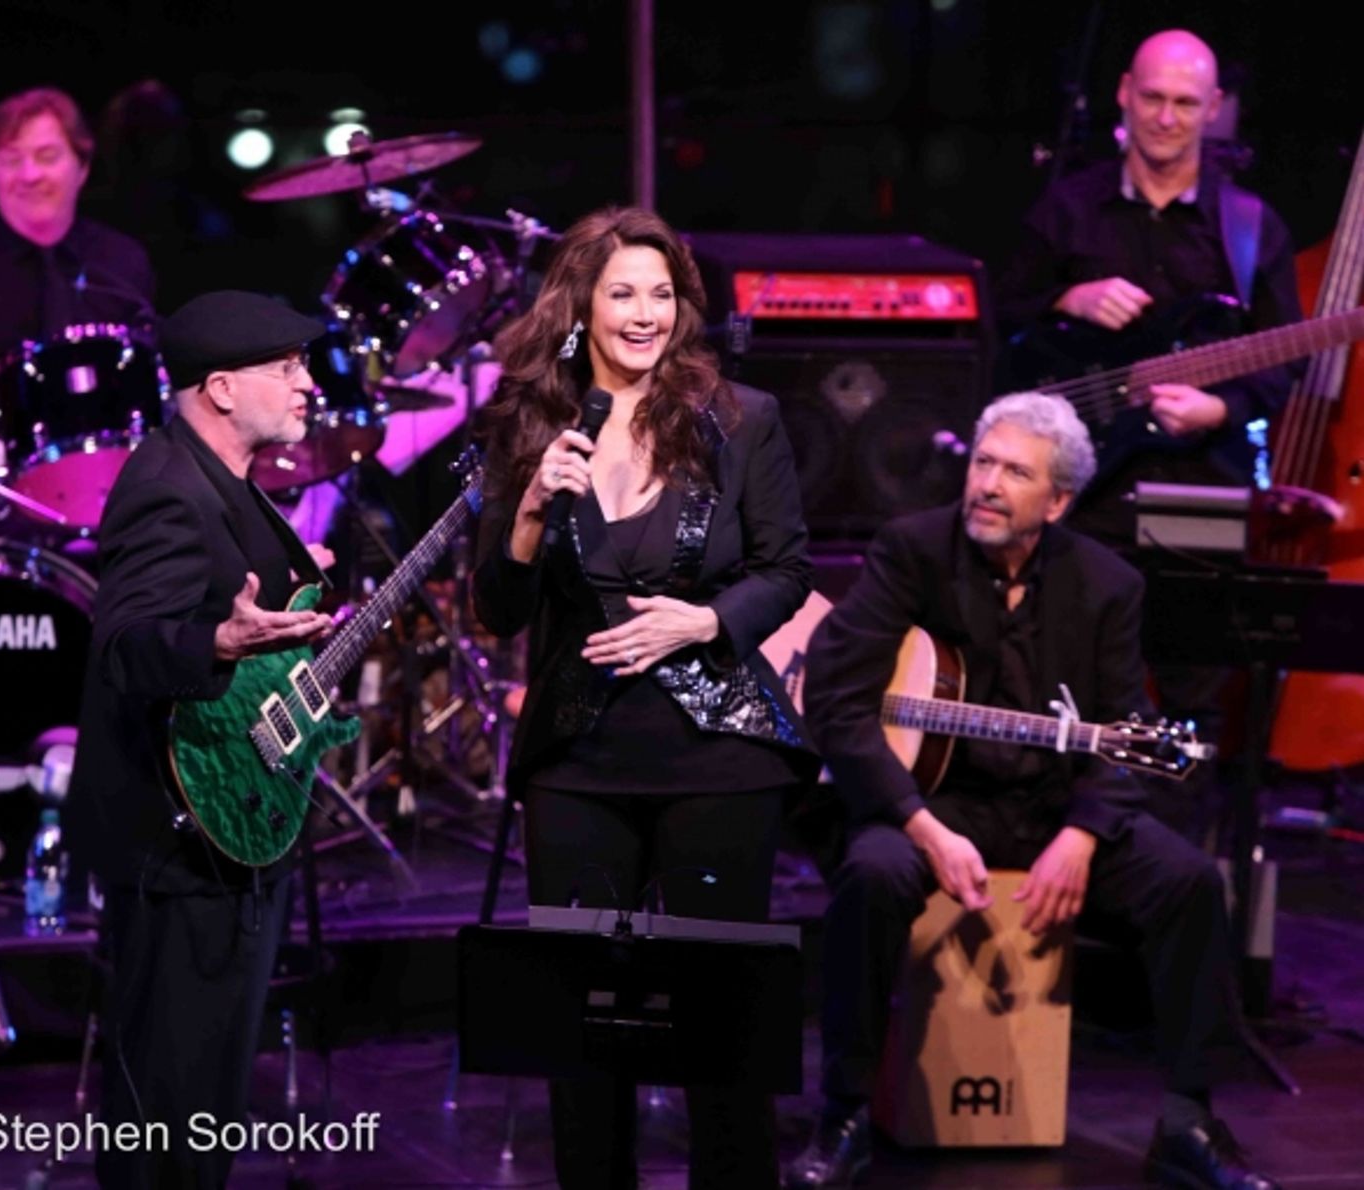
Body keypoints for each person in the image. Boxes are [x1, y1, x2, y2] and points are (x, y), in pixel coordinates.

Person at [784, 392, 1281, 1190]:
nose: (987, 483)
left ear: (1057, 501)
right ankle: (843, 1112)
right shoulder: (911, 549)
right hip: (927, 807)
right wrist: (922, 828)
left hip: (1048, 810)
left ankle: (1190, 1120)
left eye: (1015, 473)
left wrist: (1083, 836)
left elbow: (1126, 728)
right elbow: (840, 705)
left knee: (1187, 881)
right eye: (984, 461)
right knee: (873, 875)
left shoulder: (1107, 583)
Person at [472, 205, 818, 1189]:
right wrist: (532, 510)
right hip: (579, 759)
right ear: (578, 303)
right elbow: (497, 607)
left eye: (660, 293)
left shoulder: (741, 419)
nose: (644, 313)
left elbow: (783, 568)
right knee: (586, 1034)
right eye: (622, 292)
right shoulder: (520, 425)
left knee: (719, 1030)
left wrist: (701, 621)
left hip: (719, 749)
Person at [65, 290, 333, 1190]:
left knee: (208, 1099)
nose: (308, 384)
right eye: (287, 367)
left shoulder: (227, 481)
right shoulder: (165, 488)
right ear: (220, 387)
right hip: (171, 846)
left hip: (226, 828)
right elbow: (128, 644)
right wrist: (218, 641)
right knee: (169, 1100)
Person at [996, 29, 1303, 541]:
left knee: (1199, 617)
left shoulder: (1253, 226)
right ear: (1123, 92)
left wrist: (1223, 408)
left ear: (1213, 108)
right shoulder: (1066, 209)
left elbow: (1286, 356)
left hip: (1205, 485)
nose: (1165, 119)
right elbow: (1001, 319)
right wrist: (1067, 299)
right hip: (1082, 490)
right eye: (1152, 97)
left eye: (1185, 103)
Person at [0, 87, 156, 477]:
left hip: (113, 480)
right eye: (10, 159)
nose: (29, 175)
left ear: (82, 166)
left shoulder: (122, 261)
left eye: (47, 156)